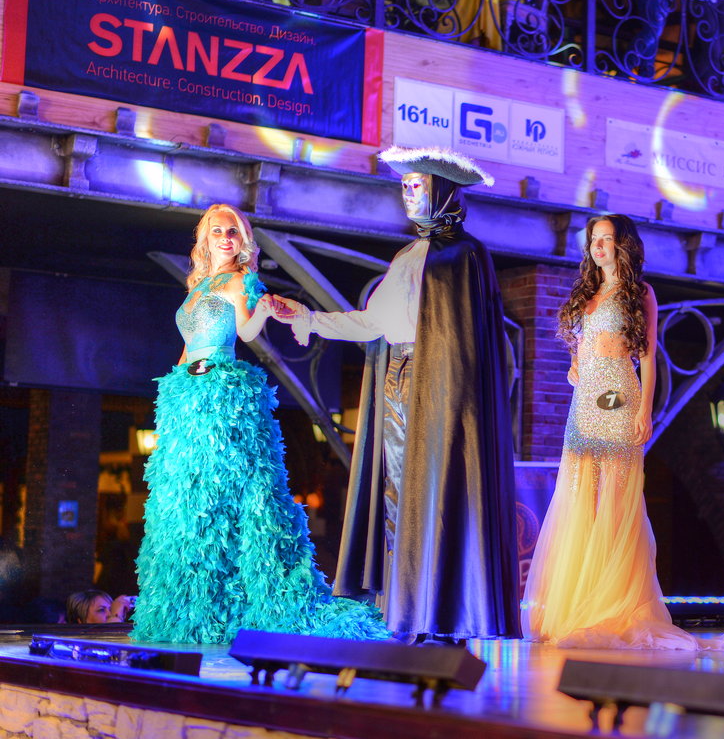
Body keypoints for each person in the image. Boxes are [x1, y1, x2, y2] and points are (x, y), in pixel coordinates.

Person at [272, 148, 519, 642]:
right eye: (403, 186)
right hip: (399, 376)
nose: (407, 194)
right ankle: (402, 610)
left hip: (443, 388)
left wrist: (457, 399)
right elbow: (375, 324)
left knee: (437, 492)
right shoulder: (406, 255)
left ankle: (441, 614)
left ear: (442, 191)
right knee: (397, 492)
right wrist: (309, 318)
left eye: (417, 185)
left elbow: (470, 344)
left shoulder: (465, 256)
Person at [131, 204, 389, 645]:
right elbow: (186, 346)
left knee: (226, 490)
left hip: (221, 391)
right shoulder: (197, 285)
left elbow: (247, 333)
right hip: (187, 394)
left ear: (242, 240)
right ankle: (194, 602)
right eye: (217, 231)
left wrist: (265, 311)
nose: (225, 238)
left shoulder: (239, 280)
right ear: (205, 238)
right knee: (189, 496)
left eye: (232, 231)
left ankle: (244, 599)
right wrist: (173, 390)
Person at [522, 214, 716, 649]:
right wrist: (575, 365)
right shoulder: (587, 292)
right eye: (594, 239)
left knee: (613, 498)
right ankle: (577, 605)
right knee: (579, 496)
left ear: (622, 245)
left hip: (616, 396)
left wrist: (645, 410)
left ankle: (612, 604)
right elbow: (582, 347)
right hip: (584, 402)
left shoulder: (639, 292)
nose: (599, 246)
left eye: (607, 239)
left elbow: (646, 356)